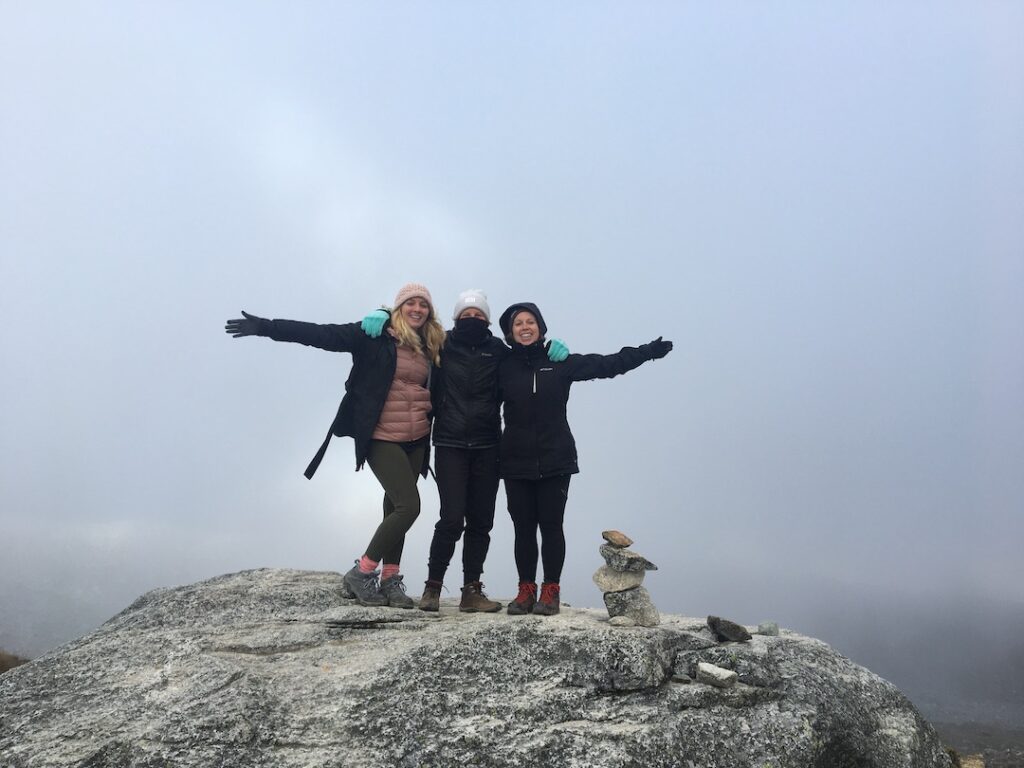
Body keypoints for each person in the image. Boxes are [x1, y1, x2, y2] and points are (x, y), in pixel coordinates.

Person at [224, 283, 446, 609]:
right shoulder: (373, 335)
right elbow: (321, 334)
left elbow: (478, 343)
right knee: (409, 507)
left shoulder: (432, 343)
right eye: (410, 303)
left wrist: (546, 348)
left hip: (416, 438)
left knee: (394, 507)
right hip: (381, 435)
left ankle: (389, 579)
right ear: (398, 308)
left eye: (423, 304)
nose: (417, 309)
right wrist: (268, 328)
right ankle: (361, 572)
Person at [361, 290, 568, 613]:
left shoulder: (498, 350)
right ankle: (433, 587)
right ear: (457, 319)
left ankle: (472, 589)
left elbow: (525, 358)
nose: (473, 320)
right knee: (451, 518)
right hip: (450, 443)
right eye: (466, 315)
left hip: (488, 445)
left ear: (487, 320)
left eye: (479, 315)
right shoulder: (440, 342)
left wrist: (552, 349)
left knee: (481, 522)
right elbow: (409, 327)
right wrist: (384, 313)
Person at [496, 302, 672, 616]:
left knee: (551, 526)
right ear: (510, 332)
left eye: (530, 322)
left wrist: (646, 352)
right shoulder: (503, 365)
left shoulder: (560, 361)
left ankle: (550, 590)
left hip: (556, 457)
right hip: (514, 459)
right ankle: (525, 590)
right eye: (518, 323)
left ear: (541, 327)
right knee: (523, 528)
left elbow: (607, 365)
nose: (525, 327)